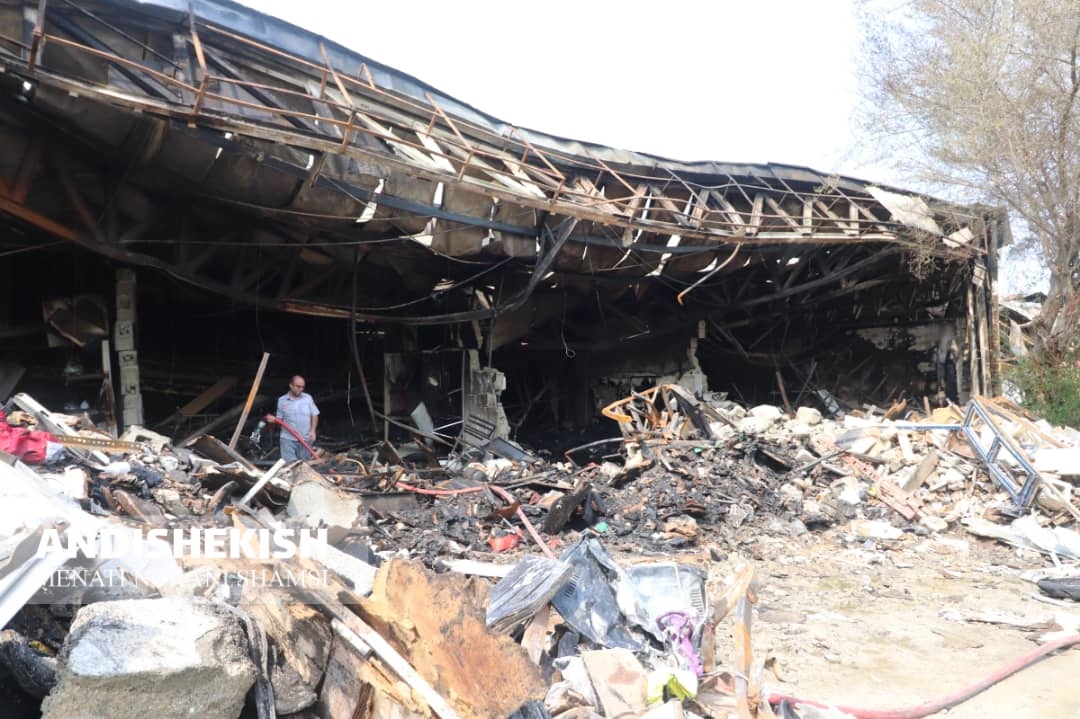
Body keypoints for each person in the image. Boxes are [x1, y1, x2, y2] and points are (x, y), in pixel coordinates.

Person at [276, 375, 319, 461]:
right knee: (290, 465)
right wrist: (273, 420)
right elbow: (279, 419)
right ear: (291, 385)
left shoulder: (308, 398)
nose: (301, 389)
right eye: (298, 386)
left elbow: (314, 414)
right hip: (288, 440)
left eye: (303, 387)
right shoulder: (282, 400)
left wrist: (313, 431)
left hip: (305, 439)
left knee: (305, 464)